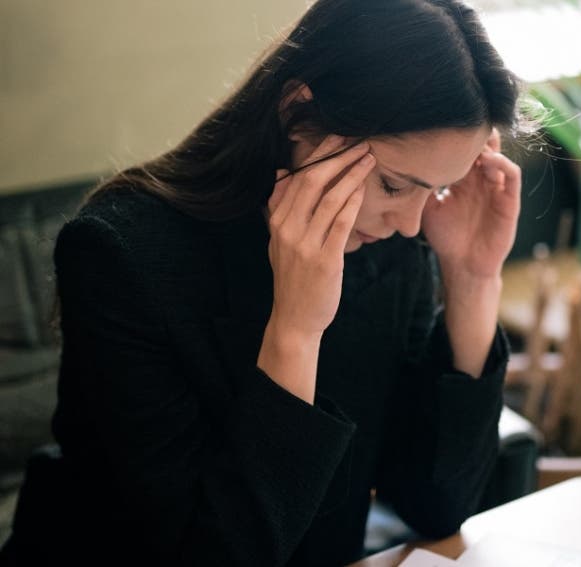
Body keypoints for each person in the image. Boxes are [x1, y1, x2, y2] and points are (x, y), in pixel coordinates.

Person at [0, 0, 524, 565]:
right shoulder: (119, 255)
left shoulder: (389, 245)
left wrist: (472, 279)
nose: (411, 223)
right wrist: (296, 331)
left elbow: (435, 507)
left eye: (438, 189)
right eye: (396, 186)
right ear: (299, 113)